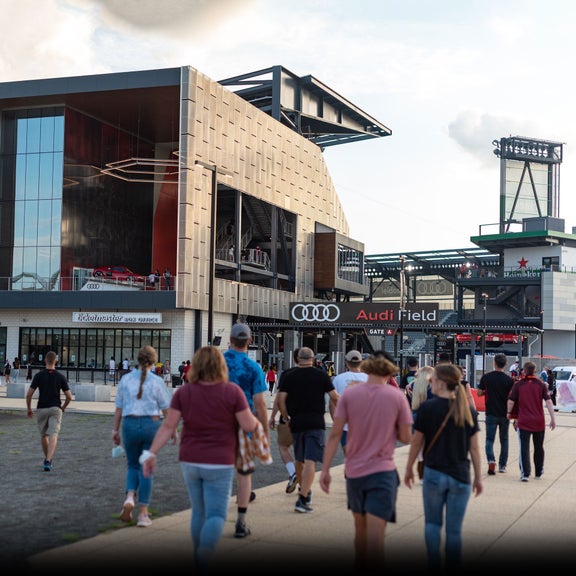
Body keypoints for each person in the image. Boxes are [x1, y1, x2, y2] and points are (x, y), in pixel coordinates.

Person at [141, 346, 259, 574]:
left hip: (190, 458)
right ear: (220, 366)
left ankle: (199, 555)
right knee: (216, 514)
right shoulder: (232, 392)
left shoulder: (184, 393)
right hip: (220, 460)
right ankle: (204, 553)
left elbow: (168, 426)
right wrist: (256, 423)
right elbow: (248, 424)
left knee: (198, 511)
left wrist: (151, 453)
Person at [320, 353, 412, 573]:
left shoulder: (350, 395)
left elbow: (334, 434)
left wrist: (325, 470)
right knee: (376, 536)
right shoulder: (396, 397)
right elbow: (407, 437)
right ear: (388, 374)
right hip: (383, 472)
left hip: (355, 473)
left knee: (360, 532)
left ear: (367, 370)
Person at [404, 363, 483, 573]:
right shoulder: (467, 412)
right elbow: (474, 449)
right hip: (460, 476)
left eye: (432, 380)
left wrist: (409, 468)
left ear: (439, 382)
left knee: (432, 524)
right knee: (454, 530)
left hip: (434, 473)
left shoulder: (427, 409)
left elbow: (416, 442)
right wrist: (478, 478)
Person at [112, 345, 175, 527]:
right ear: (154, 362)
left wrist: (115, 431)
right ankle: (143, 514)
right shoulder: (157, 381)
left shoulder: (125, 380)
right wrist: (173, 431)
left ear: (137, 361)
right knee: (146, 467)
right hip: (151, 425)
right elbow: (166, 410)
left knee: (132, 465)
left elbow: (118, 409)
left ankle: (130, 497)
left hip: (129, 425)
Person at [277, 346, 339, 513]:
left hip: (296, 422)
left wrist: (285, 416)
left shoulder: (288, 375)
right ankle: (303, 498)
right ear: (313, 359)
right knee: (311, 460)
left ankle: (304, 488)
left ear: (298, 359)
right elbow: (335, 397)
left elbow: (281, 398)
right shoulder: (321, 375)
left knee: (300, 459)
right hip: (315, 422)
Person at [223, 323, 269, 538]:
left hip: (216, 424)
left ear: (230, 340)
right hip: (244, 424)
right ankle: (240, 522)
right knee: (243, 473)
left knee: (218, 470)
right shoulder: (254, 368)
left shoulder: (217, 363)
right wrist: (265, 431)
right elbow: (260, 404)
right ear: (249, 341)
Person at [507, 361, 556, 481]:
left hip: (524, 421)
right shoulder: (541, 385)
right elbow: (549, 402)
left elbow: (511, 401)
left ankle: (525, 473)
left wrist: (508, 413)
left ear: (524, 371)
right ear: (535, 371)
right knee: (539, 446)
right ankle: (538, 471)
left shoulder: (518, 385)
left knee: (524, 447)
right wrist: (553, 419)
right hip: (538, 421)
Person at [25, 351, 72, 471]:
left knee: (44, 435)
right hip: (55, 408)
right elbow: (69, 397)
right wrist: (63, 408)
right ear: (55, 361)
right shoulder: (60, 376)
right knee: (54, 434)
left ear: (45, 360)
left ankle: (47, 459)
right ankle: (48, 460)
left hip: (41, 408)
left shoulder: (39, 375)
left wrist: (29, 409)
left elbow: (29, 395)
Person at [477, 353, 515, 474]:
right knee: (504, 440)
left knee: (489, 440)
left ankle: (491, 460)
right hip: (504, 414)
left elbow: (479, 393)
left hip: (491, 413)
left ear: (494, 363)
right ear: (505, 364)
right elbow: (512, 398)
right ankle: (502, 465)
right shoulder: (509, 380)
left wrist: (486, 392)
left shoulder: (486, 377)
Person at [268, 348, 299, 494]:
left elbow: (280, 398)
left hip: (287, 417)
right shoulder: (318, 374)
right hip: (309, 420)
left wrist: (273, 415)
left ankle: (293, 472)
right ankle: (305, 487)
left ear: (294, 359)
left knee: (283, 446)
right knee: (302, 452)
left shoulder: (287, 374)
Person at [330, 350, 368, 454]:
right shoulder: (369, 379)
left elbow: (332, 404)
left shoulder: (338, 379)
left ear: (346, 362)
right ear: (361, 362)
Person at [409, 365, 435, 477]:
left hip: (416, 413)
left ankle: (421, 467)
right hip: (430, 415)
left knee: (418, 444)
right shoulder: (432, 385)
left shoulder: (415, 384)